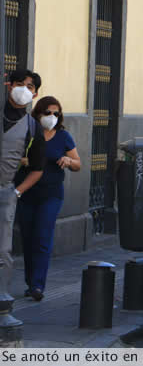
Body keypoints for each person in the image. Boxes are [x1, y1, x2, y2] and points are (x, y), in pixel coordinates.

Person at [15, 96, 80, 301]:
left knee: (42, 237)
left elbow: (78, 164)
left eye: (56, 113)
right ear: (38, 113)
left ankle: (37, 285)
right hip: (26, 193)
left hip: (51, 194)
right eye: (47, 113)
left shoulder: (63, 137)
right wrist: (22, 160)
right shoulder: (28, 133)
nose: (51, 117)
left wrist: (69, 161)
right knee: (27, 238)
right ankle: (30, 282)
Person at [0, 69, 46, 309]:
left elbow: (38, 168)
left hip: (5, 191)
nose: (23, 90)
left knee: (2, 250)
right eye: (19, 84)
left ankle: (1, 298)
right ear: (9, 86)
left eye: (29, 87)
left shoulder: (32, 127)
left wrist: (16, 193)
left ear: (35, 94)